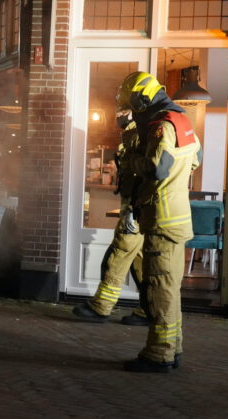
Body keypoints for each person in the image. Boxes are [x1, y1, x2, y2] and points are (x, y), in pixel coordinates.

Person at [115, 71, 202, 373]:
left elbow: (156, 167)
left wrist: (130, 159)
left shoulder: (161, 125)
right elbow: (195, 159)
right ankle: (172, 347)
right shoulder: (181, 120)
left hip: (162, 218)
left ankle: (159, 354)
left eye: (132, 101)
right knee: (170, 286)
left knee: (159, 287)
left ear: (141, 98)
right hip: (176, 216)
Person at [72, 110, 150, 326]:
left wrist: (134, 209)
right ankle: (149, 310)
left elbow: (138, 170)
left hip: (135, 209)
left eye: (123, 110)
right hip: (138, 208)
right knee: (141, 264)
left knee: (116, 257)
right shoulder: (137, 132)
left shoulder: (138, 134)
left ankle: (101, 307)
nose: (118, 115)